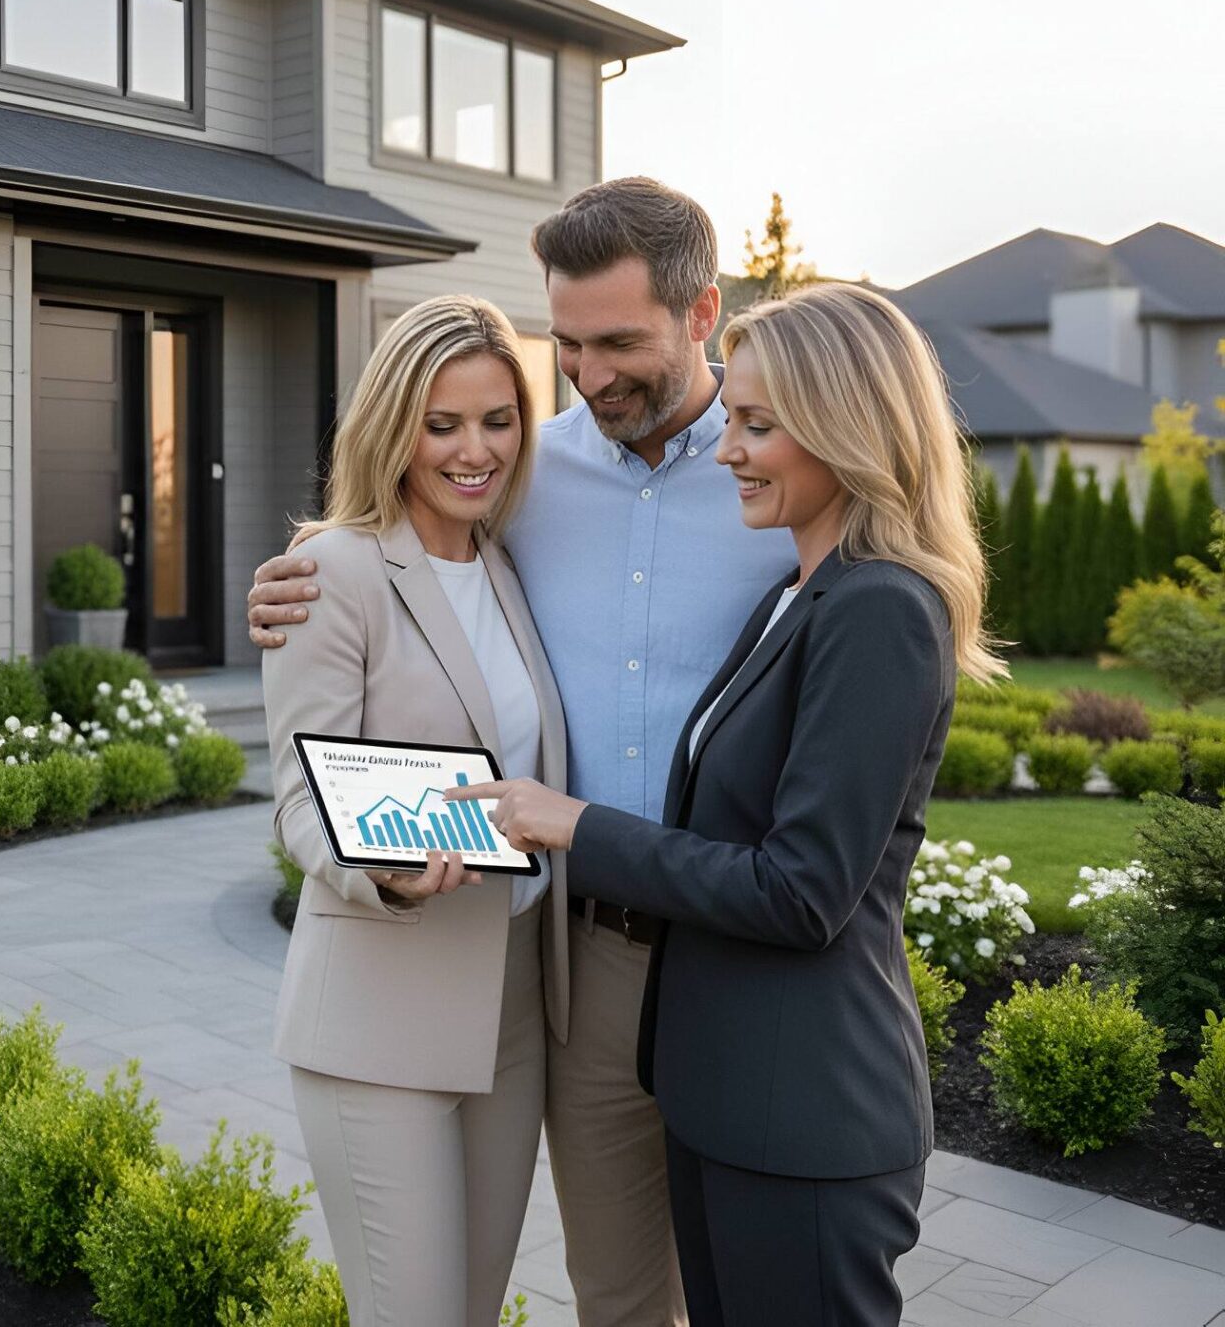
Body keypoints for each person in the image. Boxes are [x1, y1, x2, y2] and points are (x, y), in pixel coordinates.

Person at [251, 177, 791, 1327]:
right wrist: (377, 861)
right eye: (568, 345)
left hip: (711, 956)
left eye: (618, 343)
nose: (588, 375)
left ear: (702, 314)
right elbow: (309, 771)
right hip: (523, 971)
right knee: (589, 1297)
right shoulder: (509, 491)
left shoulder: (767, 477)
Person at [458, 282, 1000, 1325]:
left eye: (757, 425)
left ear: (846, 427)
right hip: (729, 1098)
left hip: (805, 1116)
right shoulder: (795, 592)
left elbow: (802, 892)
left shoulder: (882, 607)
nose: (728, 451)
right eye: (734, 421)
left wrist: (578, 826)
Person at [262, 293, 570, 1327]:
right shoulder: (332, 570)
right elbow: (300, 799)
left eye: (497, 420)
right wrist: (381, 871)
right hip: (378, 1015)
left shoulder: (507, 564)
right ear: (394, 425)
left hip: (511, 1011)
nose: (474, 450)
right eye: (443, 424)